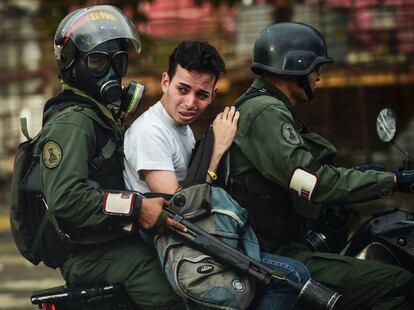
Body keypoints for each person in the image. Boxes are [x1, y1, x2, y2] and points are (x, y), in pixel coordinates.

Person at [228, 21, 414, 309]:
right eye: (315, 68)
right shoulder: (265, 112)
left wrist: (361, 178)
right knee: (396, 282)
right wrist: (391, 182)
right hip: (273, 254)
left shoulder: (268, 107)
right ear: (294, 66)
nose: (318, 77)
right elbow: (311, 181)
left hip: (284, 244)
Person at [123, 40, 311, 309]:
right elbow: (179, 211)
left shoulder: (181, 127)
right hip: (179, 247)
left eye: (201, 94)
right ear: (166, 82)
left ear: (213, 94)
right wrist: (216, 151)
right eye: (183, 89)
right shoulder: (149, 132)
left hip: (202, 236)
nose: (190, 103)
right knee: (291, 276)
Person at [37, 5, 186, 309]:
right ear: (71, 64)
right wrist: (136, 207)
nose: (110, 73)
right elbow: (66, 197)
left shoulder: (99, 115)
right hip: (86, 253)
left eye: (117, 62)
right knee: (177, 294)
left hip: (107, 240)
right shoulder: (73, 123)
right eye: (96, 62)